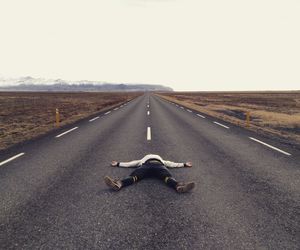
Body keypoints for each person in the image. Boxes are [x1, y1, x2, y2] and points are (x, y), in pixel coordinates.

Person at [104, 154, 195, 193]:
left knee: (135, 177)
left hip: (145, 166)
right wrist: (184, 164)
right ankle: (178, 186)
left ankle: (119, 184)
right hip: (159, 166)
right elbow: (172, 164)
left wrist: (118, 164)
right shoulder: (161, 160)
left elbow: (130, 163)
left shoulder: (142, 160)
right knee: (166, 177)